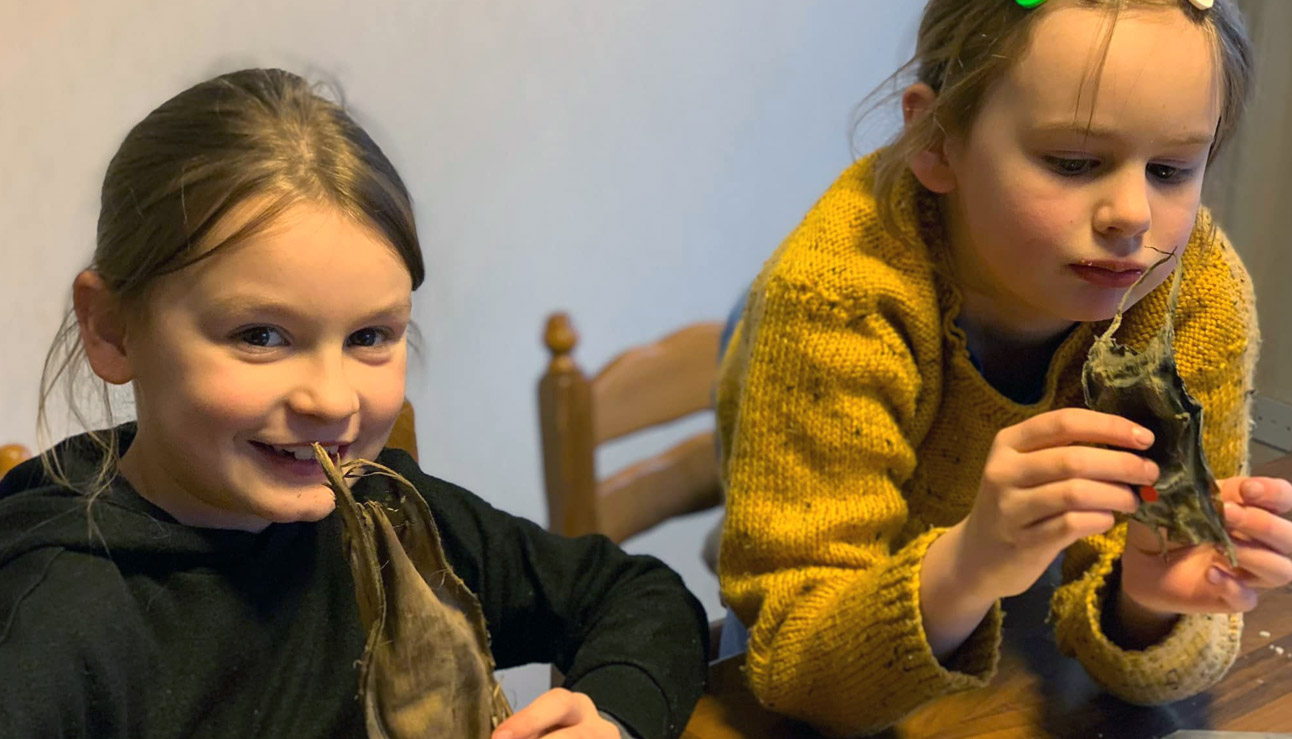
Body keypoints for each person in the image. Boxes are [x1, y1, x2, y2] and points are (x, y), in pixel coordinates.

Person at [0, 68, 707, 739]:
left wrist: (613, 717)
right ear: (112, 329)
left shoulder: (391, 518)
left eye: (370, 335)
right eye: (261, 335)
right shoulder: (55, 619)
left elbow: (639, 597)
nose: (332, 399)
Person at [715, 0, 1292, 735]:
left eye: (1171, 169)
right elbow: (794, 663)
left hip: (1003, 576)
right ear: (936, 140)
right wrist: (970, 565)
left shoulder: (1197, 296)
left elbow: (1167, 662)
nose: (1131, 215)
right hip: (851, 595)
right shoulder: (837, 298)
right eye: (1074, 162)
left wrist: (1148, 600)